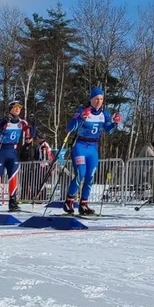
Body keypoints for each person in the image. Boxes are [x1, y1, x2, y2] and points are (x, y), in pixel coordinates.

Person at [63, 87, 120, 215]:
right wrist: (81, 118)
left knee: (90, 176)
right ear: (91, 99)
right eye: (96, 99)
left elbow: (108, 130)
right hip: (80, 146)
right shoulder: (82, 110)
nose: (99, 101)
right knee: (80, 173)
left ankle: (84, 204)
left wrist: (115, 123)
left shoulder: (104, 114)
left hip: (93, 147)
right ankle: (69, 201)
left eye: (101, 99)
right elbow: (69, 128)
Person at [0, 100, 33, 212]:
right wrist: (3, 123)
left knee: (13, 177)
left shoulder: (22, 122)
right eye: (15, 107)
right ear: (10, 109)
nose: (17, 109)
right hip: (1, 150)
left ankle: (13, 202)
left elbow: (31, 134)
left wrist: (33, 125)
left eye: (19, 108)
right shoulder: (3, 121)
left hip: (13, 152)